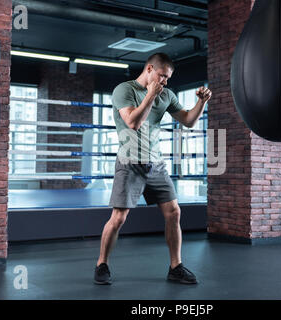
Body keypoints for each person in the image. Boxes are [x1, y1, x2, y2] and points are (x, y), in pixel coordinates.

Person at [94, 52, 212, 285]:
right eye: (162, 76)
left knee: (174, 212)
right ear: (149, 69)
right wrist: (149, 96)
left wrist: (201, 102)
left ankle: (175, 267)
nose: (165, 82)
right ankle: (101, 264)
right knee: (118, 218)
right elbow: (133, 123)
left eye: (168, 78)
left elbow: (188, 121)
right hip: (129, 163)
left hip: (155, 165)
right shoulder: (124, 90)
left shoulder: (166, 94)